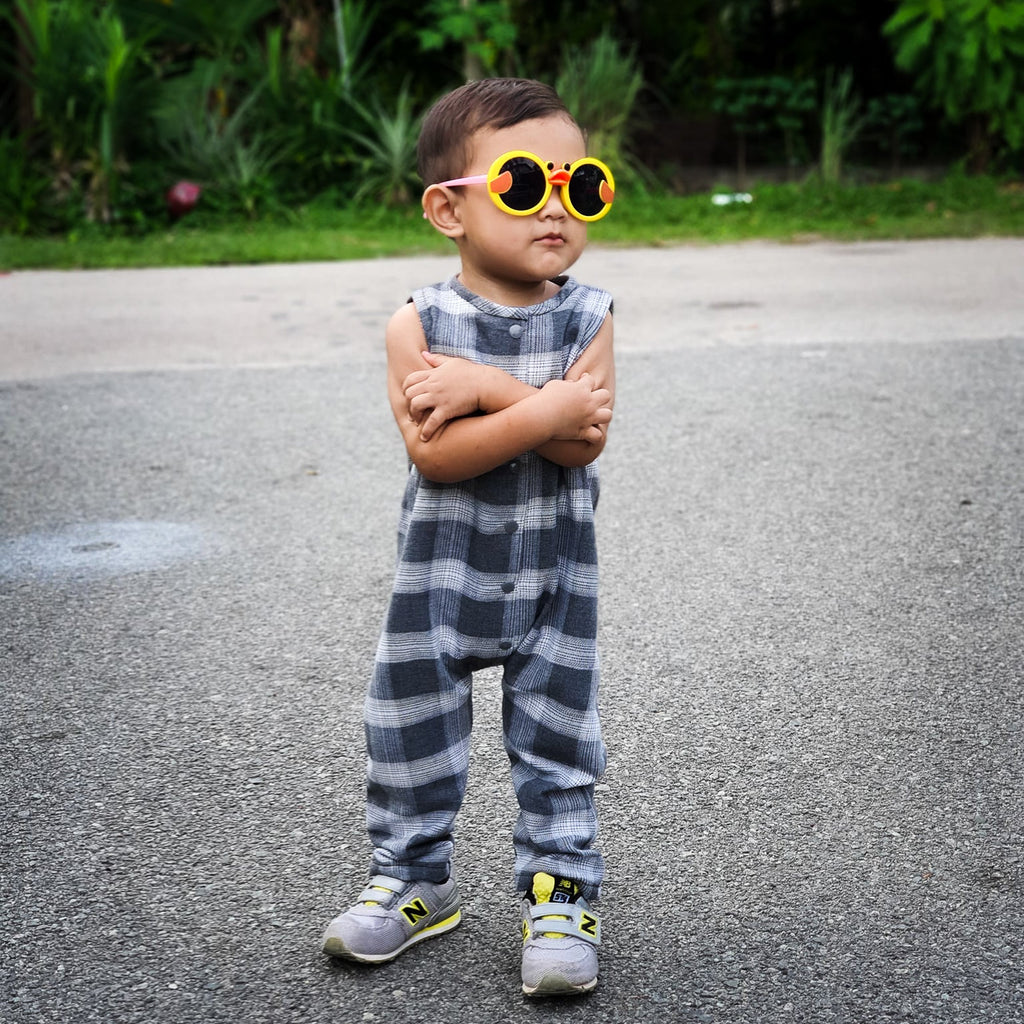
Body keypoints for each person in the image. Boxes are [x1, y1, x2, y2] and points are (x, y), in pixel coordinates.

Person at [320, 77, 616, 998]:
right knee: (407, 734)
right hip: (438, 582)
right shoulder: (415, 324)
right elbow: (439, 458)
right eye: (528, 185)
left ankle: (561, 891)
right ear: (448, 208)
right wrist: (543, 401)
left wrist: (489, 390)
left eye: (583, 185)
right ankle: (414, 879)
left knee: (560, 739)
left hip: (554, 581)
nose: (558, 207)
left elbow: (586, 437)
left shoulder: (589, 315)